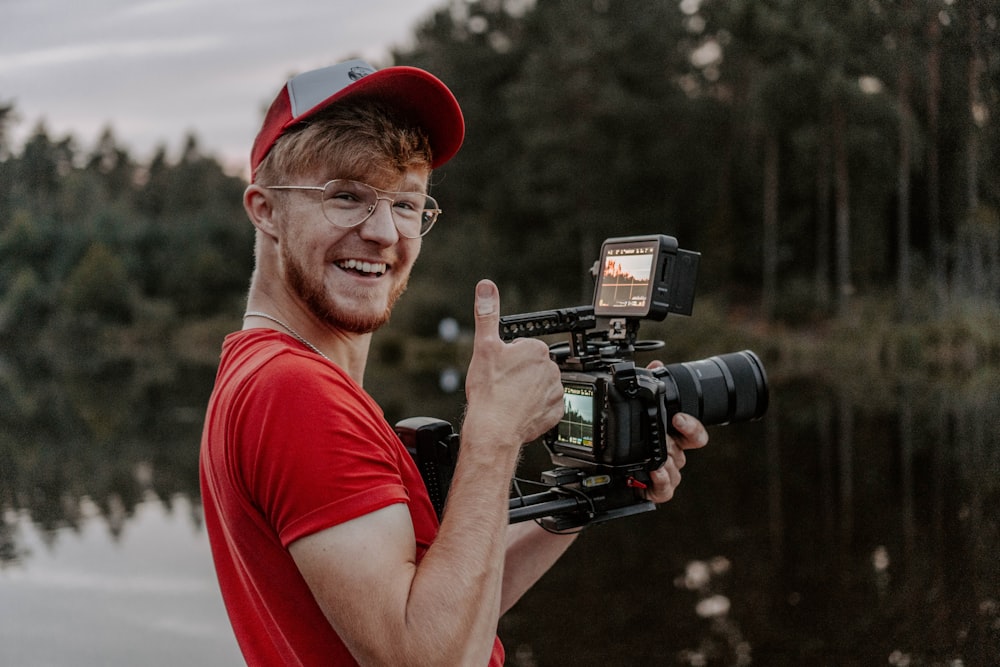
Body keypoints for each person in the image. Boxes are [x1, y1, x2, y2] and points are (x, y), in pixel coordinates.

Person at [199, 58, 709, 666]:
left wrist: (586, 490)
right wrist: (494, 435)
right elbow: (429, 658)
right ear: (265, 210)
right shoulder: (294, 392)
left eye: (408, 204)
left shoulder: (264, 375)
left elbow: (456, 620)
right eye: (346, 197)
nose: (385, 232)